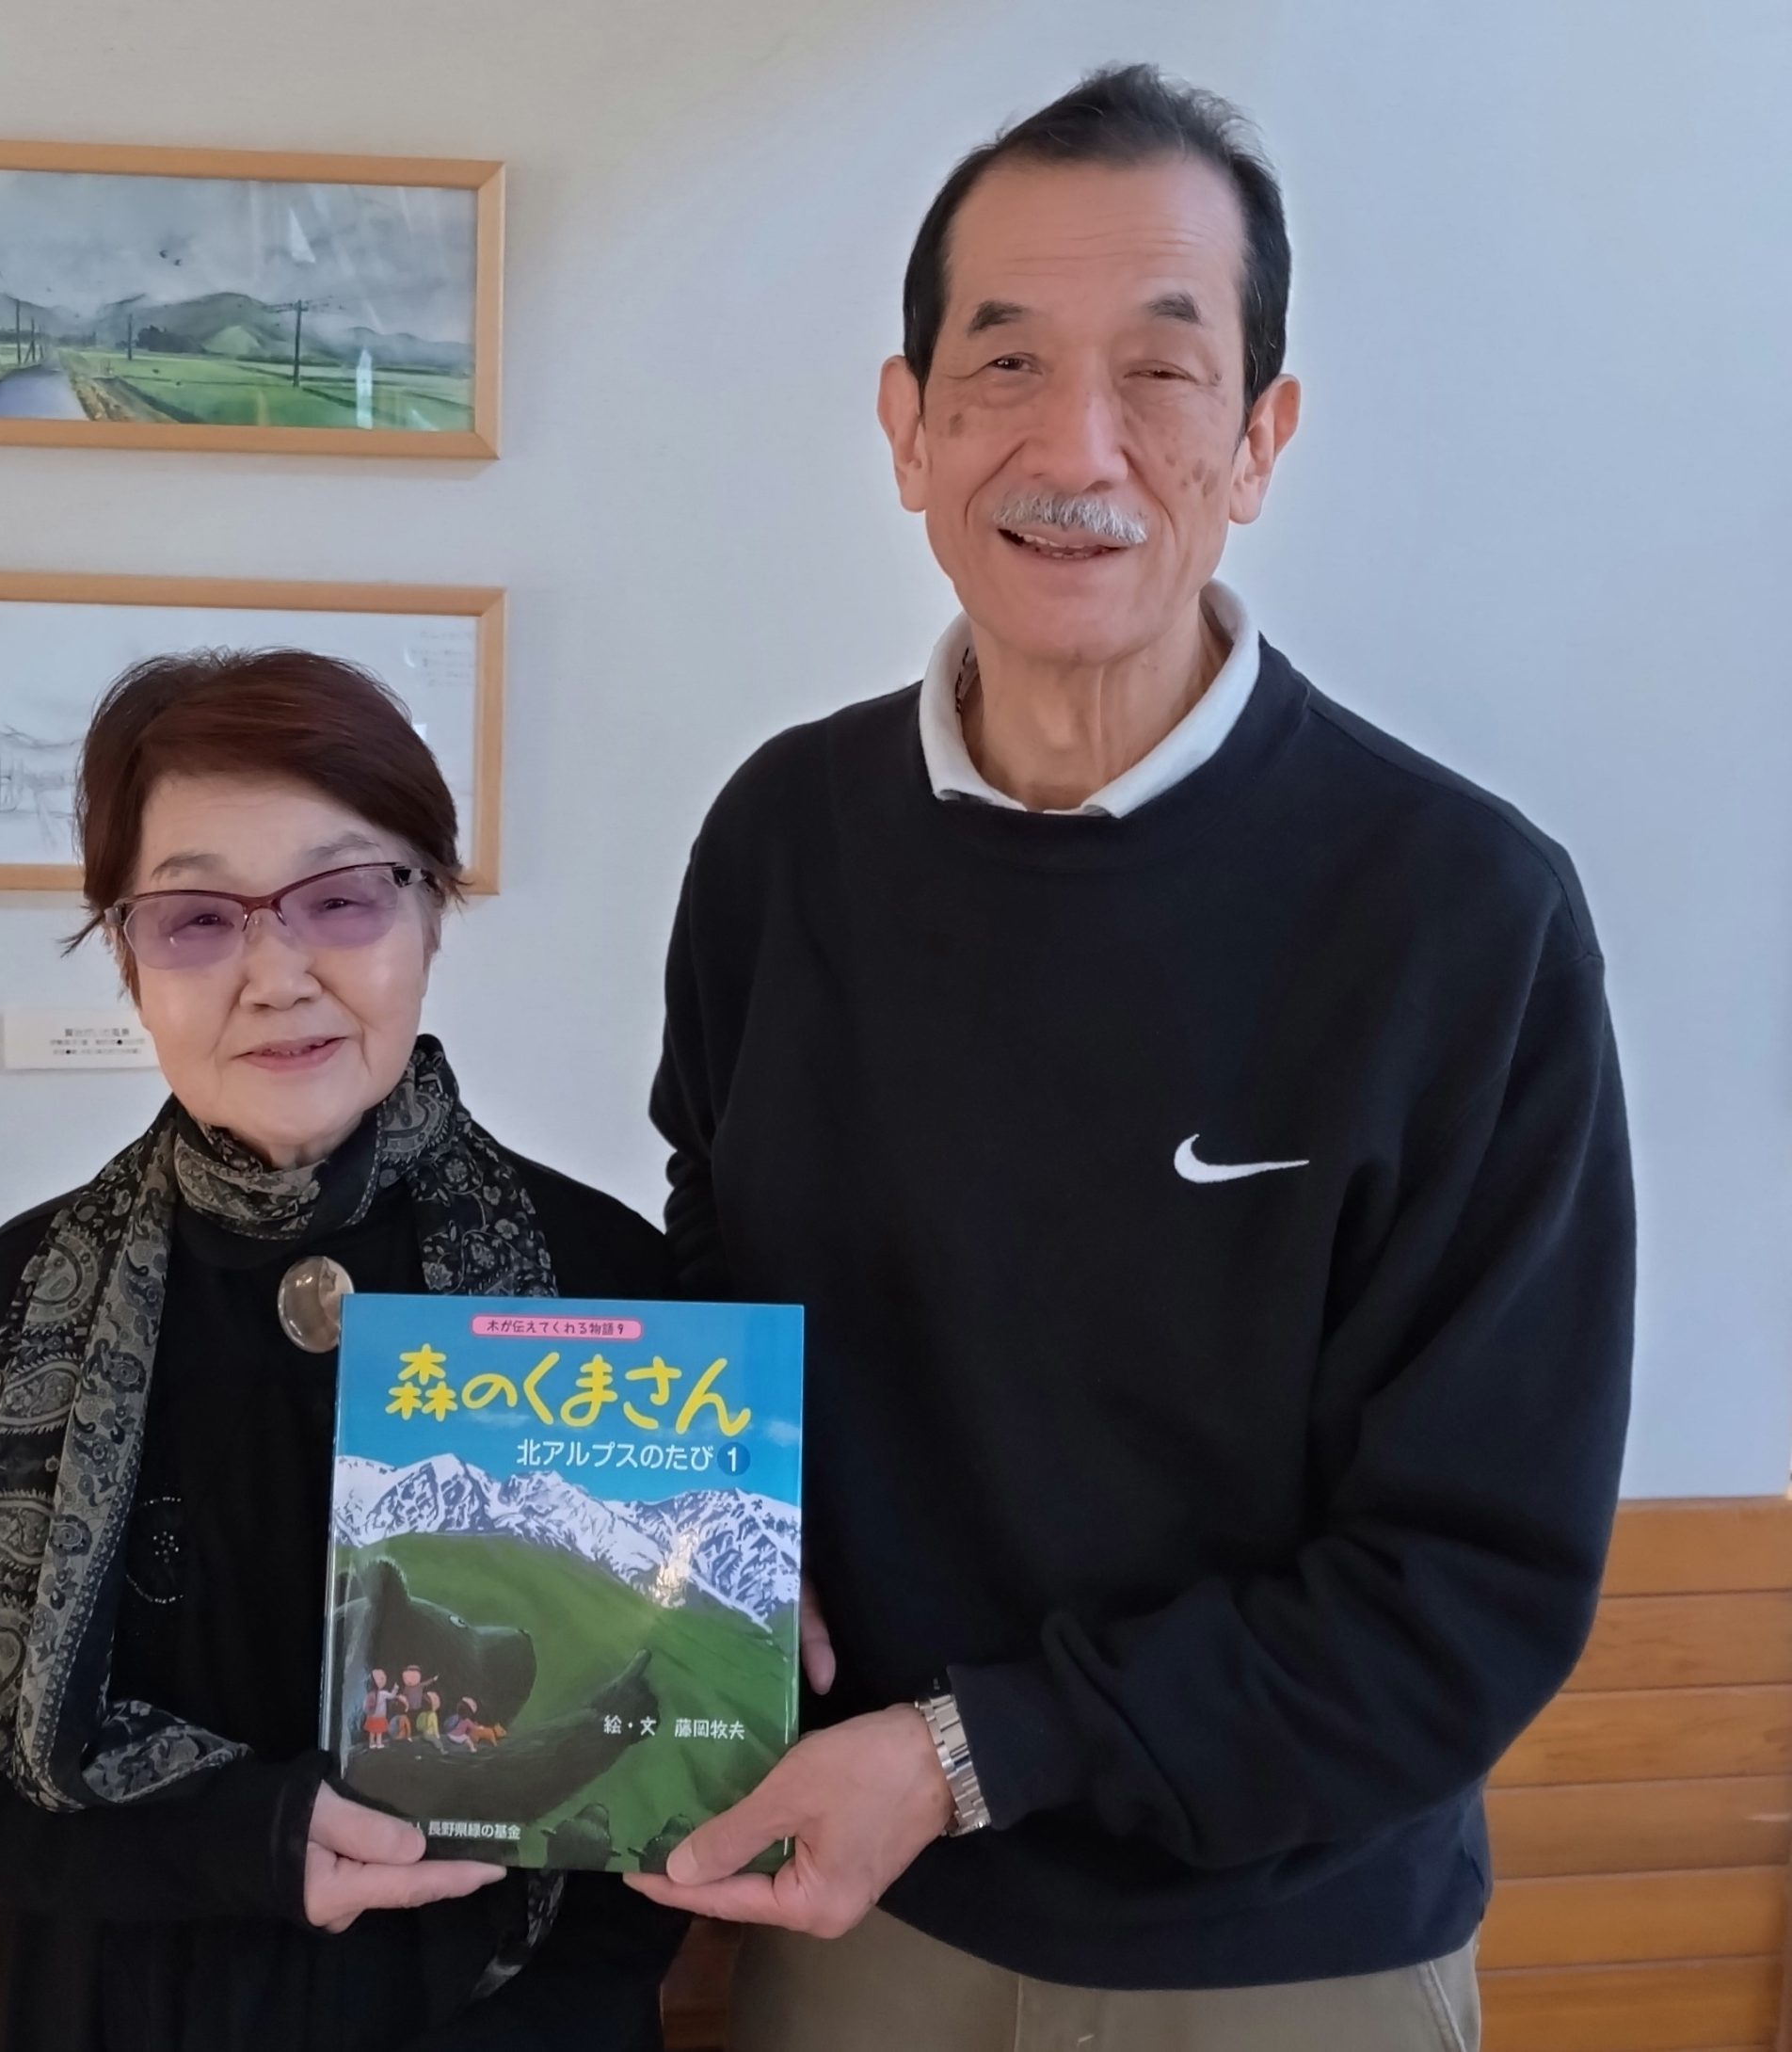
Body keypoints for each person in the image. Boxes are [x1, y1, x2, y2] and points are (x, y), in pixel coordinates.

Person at [632, 64, 1632, 2052]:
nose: (1074, 445)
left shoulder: (1461, 916)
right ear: (908, 429)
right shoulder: (782, 840)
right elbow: (715, 1230)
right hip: (858, 1914)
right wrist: (732, 1521)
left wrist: (967, 1750)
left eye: (1161, 374)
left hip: (1294, 1948)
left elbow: (1469, 1587)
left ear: (1258, 439)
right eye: (1001, 364)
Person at [0, 649, 684, 2052]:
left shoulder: (607, 1280)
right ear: (129, 957)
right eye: (197, 919)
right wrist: (240, 1839)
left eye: (341, 899)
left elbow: (666, 1749)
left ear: (431, 914)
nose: (279, 976)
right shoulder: (23, 1295)